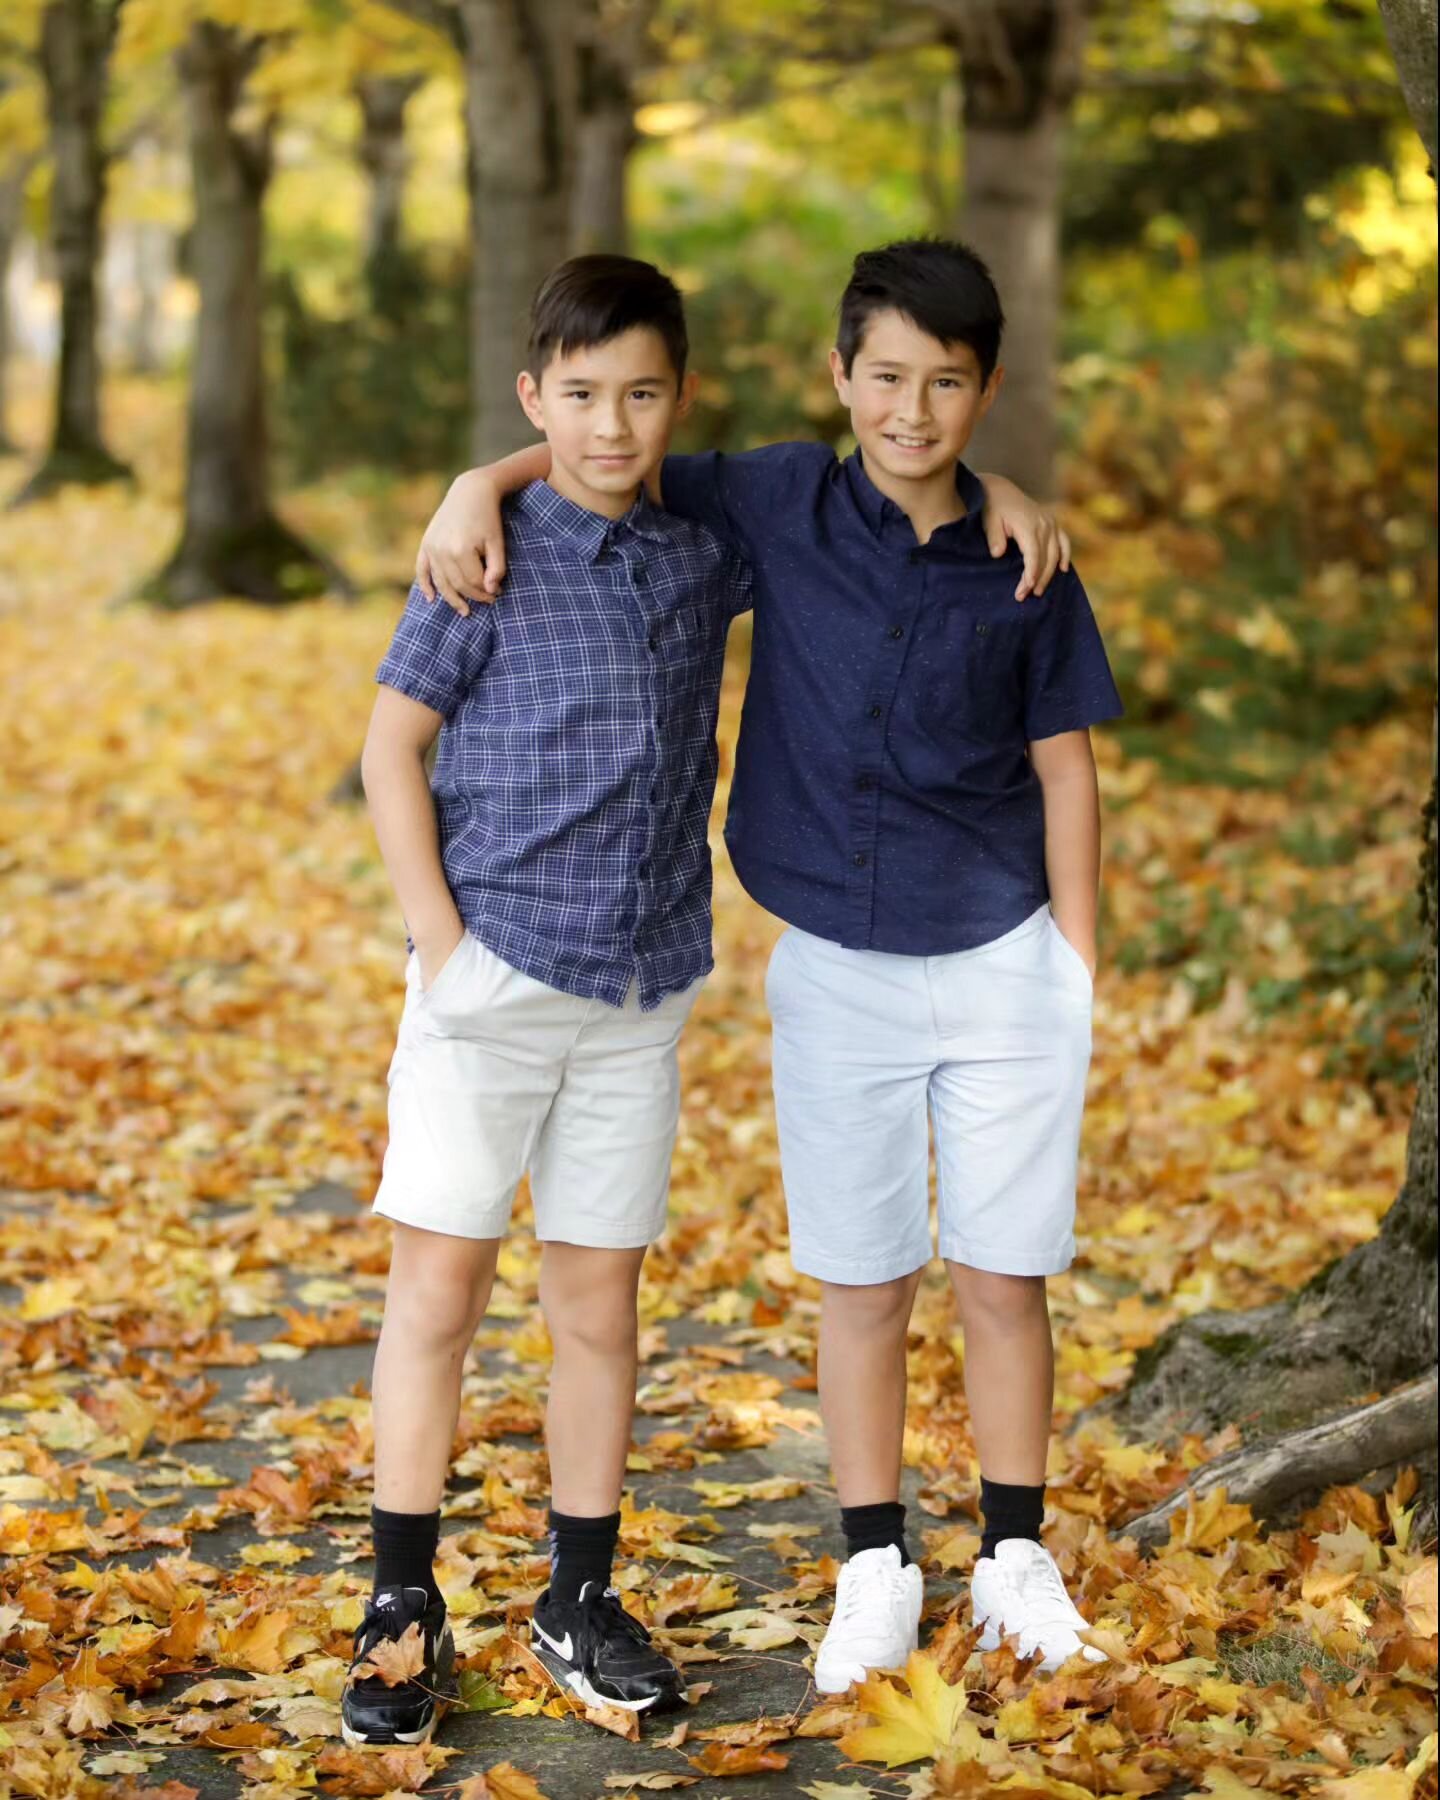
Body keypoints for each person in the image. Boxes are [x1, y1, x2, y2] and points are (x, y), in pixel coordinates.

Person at [417, 238, 1119, 1695]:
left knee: (1003, 1272)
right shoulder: (778, 497)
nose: (911, 412)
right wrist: (474, 484)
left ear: (985, 390)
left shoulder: (1021, 562)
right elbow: (598, 446)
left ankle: (1011, 1555)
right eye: (885, 378)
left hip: (1000, 951)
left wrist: (1077, 970)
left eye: (945, 384)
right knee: (862, 1278)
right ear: (838, 378)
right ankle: (875, 1560)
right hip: (835, 960)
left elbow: (1069, 771)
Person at [341, 254, 755, 1747]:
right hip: (492, 980)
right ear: (536, 399)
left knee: (599, 1306)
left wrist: (1018, 504)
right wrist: (443, 947)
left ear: (677, 401)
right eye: (577, 397)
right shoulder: (483, 549)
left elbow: (873, 507)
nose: (609, 425)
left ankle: (579, 1591)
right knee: (437, 1294)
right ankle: (401, 1597)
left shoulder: (706, 550)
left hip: (640, 990)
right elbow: (392, 750)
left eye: (641, 394)